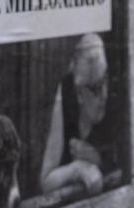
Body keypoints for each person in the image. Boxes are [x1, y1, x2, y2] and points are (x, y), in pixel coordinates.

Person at [40, 34, 116, 198]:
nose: (104, 94)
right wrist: (77, 169)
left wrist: (99, 161)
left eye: (106, 81)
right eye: (96, 88)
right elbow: (46, 182)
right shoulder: (66, 94)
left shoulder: (117, 100)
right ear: (79, 94)